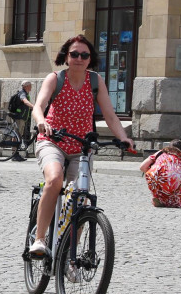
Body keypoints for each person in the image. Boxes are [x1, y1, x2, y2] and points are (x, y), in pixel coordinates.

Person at [29, 34, 134, 258]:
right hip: (52, 141)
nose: (79, 58)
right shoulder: (55, 78)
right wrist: (41, 122)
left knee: (81, 197)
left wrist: (124, 137)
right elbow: (38, 106)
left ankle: (70, 255)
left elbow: (110, 116)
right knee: (55, 179)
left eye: (84, 55)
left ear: (90, 58)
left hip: (81, 147)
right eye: (74, 54)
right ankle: (39, 239)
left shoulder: (95, 81)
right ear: (66, 57)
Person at [8, 80, 35, 161]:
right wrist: (33, 106)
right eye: (30, 85)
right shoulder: (22, 93)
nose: (31, 87)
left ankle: (15, 153)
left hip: (21, 118)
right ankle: (14, 154)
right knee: (16, 135)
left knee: (18, 135)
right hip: (19, 118)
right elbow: (25, 101)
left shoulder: (25, 93)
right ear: (26, 86)